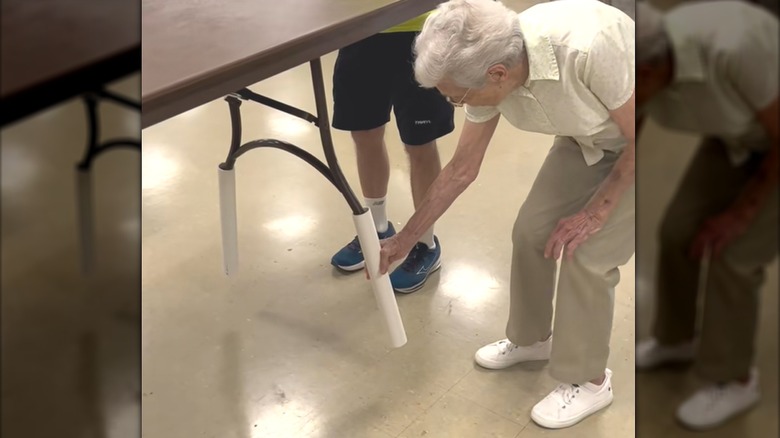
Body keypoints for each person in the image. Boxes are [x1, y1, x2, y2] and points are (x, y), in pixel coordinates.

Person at [379, 0, 635, 429]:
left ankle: (589, 380)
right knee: (531, 231)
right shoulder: (486, 62)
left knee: (586, 254)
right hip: (587, 136)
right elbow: (461, 169)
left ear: (497, 74)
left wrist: (595, 212)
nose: (456, 104)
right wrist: (406, 239)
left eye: (456, 97)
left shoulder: (587, 47)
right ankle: (533, 340)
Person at [635, 1, 778, 430]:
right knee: (678, 230)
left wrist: (739, 214)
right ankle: (676, 339)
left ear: (650, 72)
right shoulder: (644, 61)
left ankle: (734, 379)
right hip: (736, 134)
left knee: (735, 256)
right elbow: (628, 138)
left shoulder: (730, 49)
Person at [330, 9, 454, 293]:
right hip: (358, 28)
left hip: (422, 30)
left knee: (420, 144)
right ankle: (376, 227)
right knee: (364, 133)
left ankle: (425, 242)